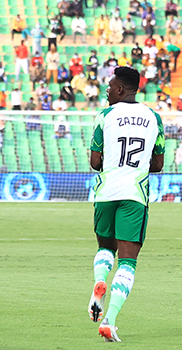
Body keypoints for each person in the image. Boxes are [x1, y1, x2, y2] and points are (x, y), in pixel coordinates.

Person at [87, 66, 164, 342]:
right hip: (134, 194)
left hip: (106, 192)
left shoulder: (105, 116)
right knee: (128, 261)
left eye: (110, 86)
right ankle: (110, 320)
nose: (107, 90)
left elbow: (95, 162)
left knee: (105, 247)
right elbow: (158, 164)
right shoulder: (154, 117)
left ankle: (99, 281)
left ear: (121, 89)